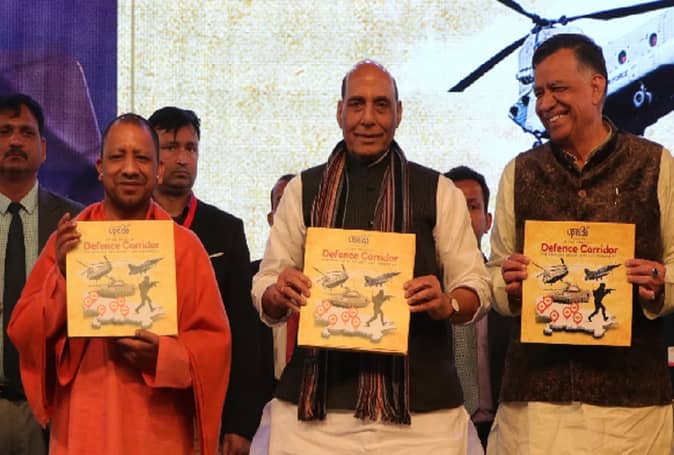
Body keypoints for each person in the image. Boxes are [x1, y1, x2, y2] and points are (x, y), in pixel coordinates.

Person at [251, 60, 491, 454]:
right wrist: (277, 293)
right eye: (356, 104)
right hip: (316, 411)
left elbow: (476, 285)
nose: (367, 118)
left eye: (381, 105)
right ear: (339, 112)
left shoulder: (438, 190)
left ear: (399, 113)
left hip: (421, 411)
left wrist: (446, 303)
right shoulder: (303, 189)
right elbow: (266, 281)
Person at [488, 33, 674, 453]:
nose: (544, 104)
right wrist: (508, 286)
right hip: (535, 411)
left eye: (557, 89)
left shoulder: (656, 164)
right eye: (539, 92)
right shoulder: (518, 173)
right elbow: (494, 274)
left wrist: (660, 281)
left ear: (596, 87)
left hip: (632, 414)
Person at [8, 113, 231, 454]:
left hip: (158, 432)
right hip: (82, 429)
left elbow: (214, 348)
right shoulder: (69, 242)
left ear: (158, 170)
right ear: (100, 167)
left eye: (141, 158)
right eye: (117, 157)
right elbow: (24, 332)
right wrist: (64, 277)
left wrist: (165, 357)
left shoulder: (184, 248)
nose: (129, 169)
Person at [149, 106, 268, 454]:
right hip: (140, 398)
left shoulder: (226, 230)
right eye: (171, 147)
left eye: (191, 148)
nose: (182, 158)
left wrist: (241, 423)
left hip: (206, 402)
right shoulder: (125, 228)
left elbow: (243, 332)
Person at [0, 93, 83, 454]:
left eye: (26, 132)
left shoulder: (77, 222)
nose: (15, 141)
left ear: (44, 149)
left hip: (54, 407)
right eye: (4, 132)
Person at [445, 165, 511, 449]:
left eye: (472, 206)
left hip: (501, 427)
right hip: (440, 427)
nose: (462, 216)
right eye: (454, 208)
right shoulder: (421, 291)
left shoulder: (508, 287)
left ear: (488, 220)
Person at [252, 173, 295, 382]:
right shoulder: (248, 277)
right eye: (283, 203)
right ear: (271, 219)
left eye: (296, 205)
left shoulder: (330, 278)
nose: (291, 212)